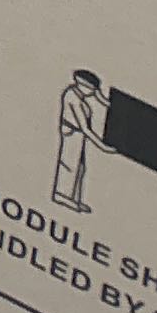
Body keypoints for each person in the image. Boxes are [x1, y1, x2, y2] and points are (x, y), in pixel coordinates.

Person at [54, 71, 104, 209]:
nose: (93, 93)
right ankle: (62, 194)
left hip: (79, 135)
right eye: (92, 90)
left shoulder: (81, 98)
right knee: (69, 163)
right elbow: (84, 128)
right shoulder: (72, 97)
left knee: (80, 167)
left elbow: (103, 102)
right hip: (72, 133)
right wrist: (102, 146)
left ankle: (75, 198)